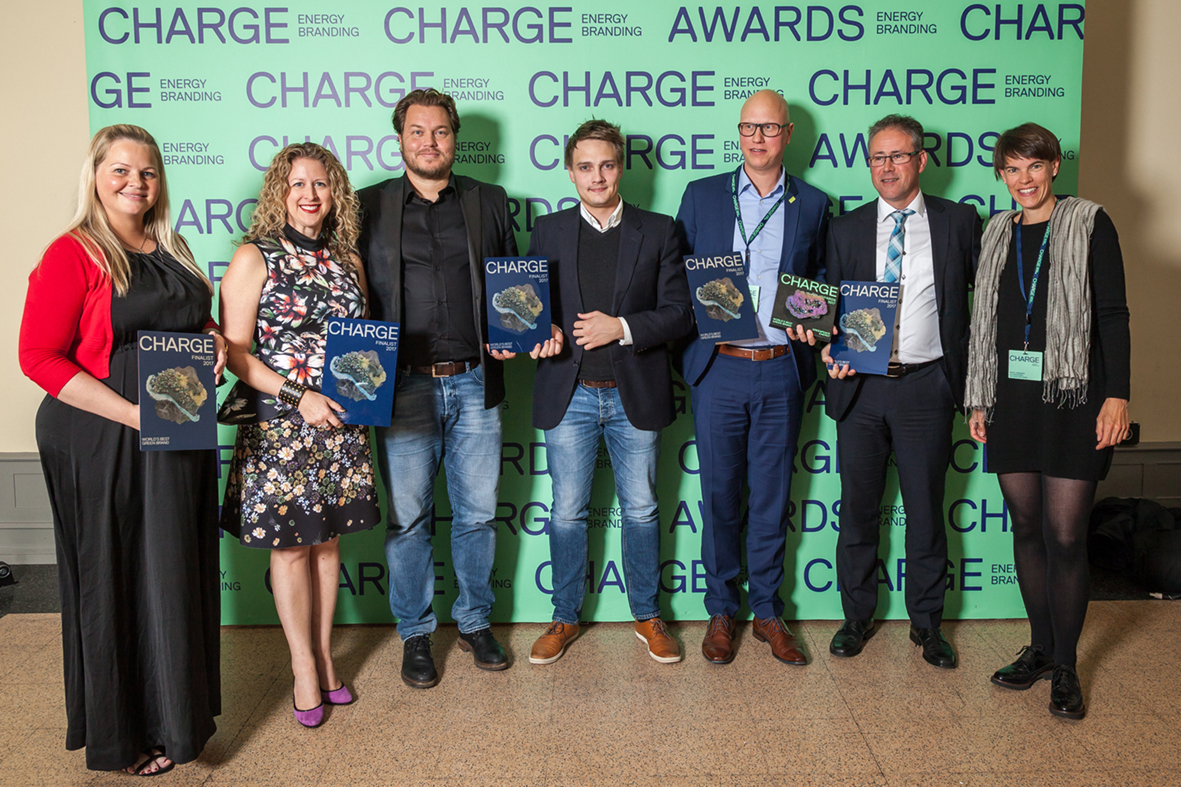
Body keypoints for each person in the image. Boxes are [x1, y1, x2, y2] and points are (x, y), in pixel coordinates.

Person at [19, 124, 225, 775]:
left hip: (176, 427)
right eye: (121, 170)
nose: (136, 182)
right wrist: (132, 413)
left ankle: (176, 719)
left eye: (148, 172)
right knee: (116, 576)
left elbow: (193, 321)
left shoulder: (174, 246)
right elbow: (37, 356)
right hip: (101, 432)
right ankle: (123, 732)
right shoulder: (74, 252)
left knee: (171, 570)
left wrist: (216, 342)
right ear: (96, 176)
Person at [966, 123, 1130, 719]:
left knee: (1065, 536)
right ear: (1001, 174)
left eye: (1034, 166)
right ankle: (1039, 647)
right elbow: (987, 321)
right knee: (1028, 528)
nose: (1024, 180)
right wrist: (979, 397)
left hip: (1075, 397)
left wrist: (1119, 396)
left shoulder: (1090, 223)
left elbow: (1112, 313)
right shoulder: (994, 232)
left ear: (1055, 166)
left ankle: (1067, 665)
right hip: (1010, 397)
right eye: (1012, 168)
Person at [357, 88, 518, 688]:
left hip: (475, 380)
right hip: (400, 387)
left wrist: (516, 332)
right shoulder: (366, 205)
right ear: (401, 138)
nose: (430, 142)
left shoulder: (488, 200)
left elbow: (512, 284)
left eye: (441, 131)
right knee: (407, 521)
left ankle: (475, 621)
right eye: (418, 131)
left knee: (476, 516)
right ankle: (416, 634)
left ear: (455, 138)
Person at [218, 142, 380, 727]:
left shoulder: (348, 260)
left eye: (321, 184)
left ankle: (326, 658)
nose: (310, 195)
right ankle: (303, 669)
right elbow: (235, 355)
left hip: (340, 422)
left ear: (334, 192)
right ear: (280, 194)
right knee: (291, 547)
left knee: (330, 544)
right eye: (298, 185)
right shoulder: (253, 257)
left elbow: (361, 344)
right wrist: (299, 396)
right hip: (282, 424)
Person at [525, 120, 694, 665]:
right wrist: (539, 334)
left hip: (633, 392)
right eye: (585, 166)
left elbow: (679, 314)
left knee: (642, 509)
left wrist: (619, 327)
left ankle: (647, 615)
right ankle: (564, 616)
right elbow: (530, 311)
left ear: (621, 167)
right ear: (570, 171)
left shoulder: (660, 229)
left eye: (607, 164)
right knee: (567, 511)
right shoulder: (547, 230)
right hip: (568, 392)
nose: (597, 176)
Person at [821, 115, 982, 668]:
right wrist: (830, 347)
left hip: (925, 387)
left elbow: (982, 305)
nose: (886, 168)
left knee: (925, 511)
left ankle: (928, 626)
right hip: (861, 391)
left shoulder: (959, 221)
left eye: (896, 157)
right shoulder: (845, 228)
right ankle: (855, 617)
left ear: (920, 160)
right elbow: (828, 313)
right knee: (859, 513)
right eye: (876, 159)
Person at [675, 90, 829, 666]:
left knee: (771, 496)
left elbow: (819, 282)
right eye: (747, 128)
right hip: (720, 369)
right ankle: (721, 611)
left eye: (768, 128)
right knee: (719, 494)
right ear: (737, 135)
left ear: (787, 134)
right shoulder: (702, 195)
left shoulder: (812, 203)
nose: (757, 138)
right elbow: (676, 278)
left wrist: (816, 323)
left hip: (779, 370)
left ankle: (766, 611)